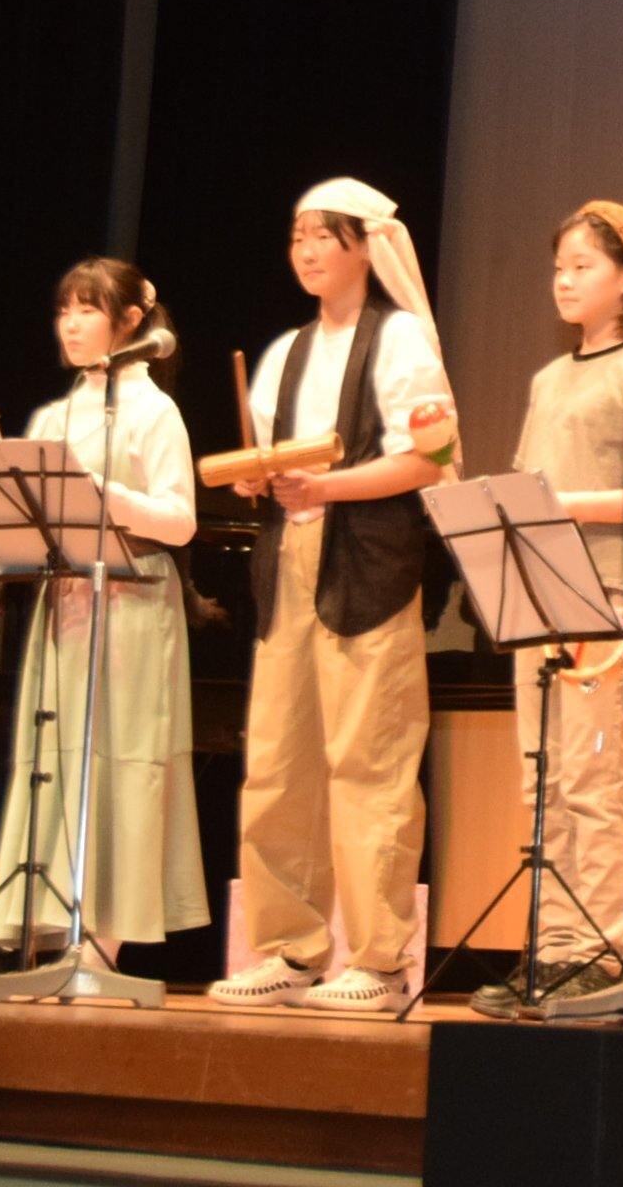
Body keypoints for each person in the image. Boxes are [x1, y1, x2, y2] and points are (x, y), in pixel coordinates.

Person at [210, 180, 457, 1016]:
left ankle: (381, 960)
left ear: (364, 245)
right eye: (297, 236)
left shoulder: (401, 339)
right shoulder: (285, 351)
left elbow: (428, 460)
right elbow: (271, 460)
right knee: (278, 761)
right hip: (288, 559)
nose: (307, 250)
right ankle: (290, 948)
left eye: (324, 235)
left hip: (368, 560)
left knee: (370, 760)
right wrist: (261, 480)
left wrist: (326, 487)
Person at [467, 200, 623, 1018]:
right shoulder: (547, 379)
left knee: (596, 782)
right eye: (558, 267)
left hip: (606, 603)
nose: (563, 281)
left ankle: (602, 949)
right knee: (546, 782)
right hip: (541, 596)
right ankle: (553, 948)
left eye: (583, 267)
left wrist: (567, 504)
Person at [0, 256, 208, 959]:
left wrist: (108, 496)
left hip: (134, 605)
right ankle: (55, 922)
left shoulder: (153, 410)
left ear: (130, 321)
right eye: (64, 310)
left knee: (122, 759)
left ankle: (105, 939)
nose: (71, 324)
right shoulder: (53, 414)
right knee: (58, 754)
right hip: (68, 603)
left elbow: (181, 521)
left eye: (87, 310)